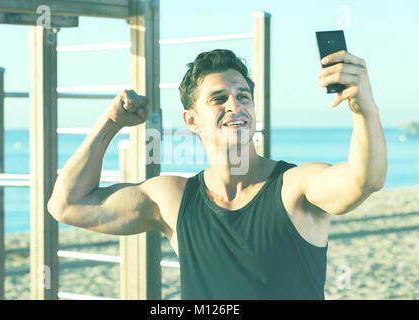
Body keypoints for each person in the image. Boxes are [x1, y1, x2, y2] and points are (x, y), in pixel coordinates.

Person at [47, 49, 387, 299]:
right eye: (219, 99)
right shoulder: (173, 199)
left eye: (243, 96)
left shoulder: (293, 187)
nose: (235, 106)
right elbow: (67, 204)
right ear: (191, 121)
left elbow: (365, 179)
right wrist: (110, 123)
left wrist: (363, 109)